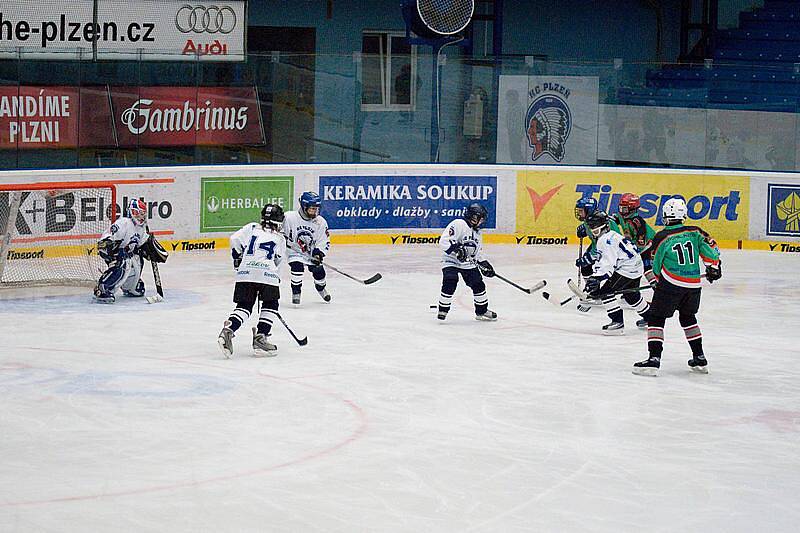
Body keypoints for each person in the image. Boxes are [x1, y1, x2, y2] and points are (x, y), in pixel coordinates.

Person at [633, 198, 722, 376]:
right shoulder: (695, 231)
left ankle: (654, 360)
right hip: (693, 286)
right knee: (688, 318)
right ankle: (699, 357)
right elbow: (711, 252)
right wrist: (714, 268)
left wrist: (658, 282)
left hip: (671, 285)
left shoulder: (661, 237)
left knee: (656, 319)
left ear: (665, 216)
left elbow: (655, 265)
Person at [218, 204, 287, 358]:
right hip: (267, 274)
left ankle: (228, 331)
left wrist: (238, 258)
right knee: (271, 304)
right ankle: (261, 337)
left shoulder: (252, 227)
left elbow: (234, 239)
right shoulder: (280, 238)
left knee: (244, 305)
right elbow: (277, 261)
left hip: (245, 272)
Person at [583, 213, 650, 335]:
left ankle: (617, 322)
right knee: (631, 295)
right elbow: (605, 259)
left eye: (593, 226)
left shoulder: (604, 240)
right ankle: (650, 318)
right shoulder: (612, 235)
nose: (592, 230)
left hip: (627, 270)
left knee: (605, 293)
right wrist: (596, 275)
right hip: (636, 267)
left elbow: (607, 264)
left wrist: (596, 278)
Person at [93, 198, 166, 303]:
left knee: (137, 260)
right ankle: (102, 288)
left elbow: (142, 245)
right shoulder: (123, 223)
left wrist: (150, 250)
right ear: (133, 212)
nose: (142, 217)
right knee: (123, 260)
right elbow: (103, 244)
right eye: (140, 214)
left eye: (143, 214)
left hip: (125, 254)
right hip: (111, 253)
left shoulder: (141, 228)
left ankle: (129, 287)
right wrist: (112, 249)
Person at [437, 203, 497, 322]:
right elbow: (443, 241)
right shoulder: (459, 224)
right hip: (451, 260)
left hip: (468, 263)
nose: (482, 221)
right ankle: (442, 309)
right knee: (450, 280)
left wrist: (484, 264)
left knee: (478, 284)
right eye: (481, 218)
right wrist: (457, 249)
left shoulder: (477, 233)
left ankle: (481, 311)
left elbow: (477, 252)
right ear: (474, 217)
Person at [283, 192, 331, 305]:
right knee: (297, 267)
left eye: (316, 209)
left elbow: (323, 240)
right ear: (304, 207)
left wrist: (318, 253)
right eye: (312, 209)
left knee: (319, 271)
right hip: (293, 251)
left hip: (310, 252)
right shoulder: (289, 217)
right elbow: (279, 232)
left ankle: (321, 288)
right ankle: (296, 291)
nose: (315, 211)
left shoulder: (320, 222)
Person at [613, 193, 657, 284]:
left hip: (650, 245)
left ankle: (656, 287)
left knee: (646, 266)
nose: (622, 212)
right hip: (639, 245)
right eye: (621, 208)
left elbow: (641, 244)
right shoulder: (622, 216)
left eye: (624, 209)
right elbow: (613, 220)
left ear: (632, 209)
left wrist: (630, 251)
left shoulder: (637, 222)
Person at [574, 197, 622, 278]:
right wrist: (585, 230)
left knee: (604, 269)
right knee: (585, 267)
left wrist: (590, 257)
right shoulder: (589, 219)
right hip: (598, 245)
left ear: (588, 210)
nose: (579, 214)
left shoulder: (600, 221)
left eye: (581, 211)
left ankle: (596, 285)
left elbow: (605, 245)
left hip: (613, 249)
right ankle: (590, 287)